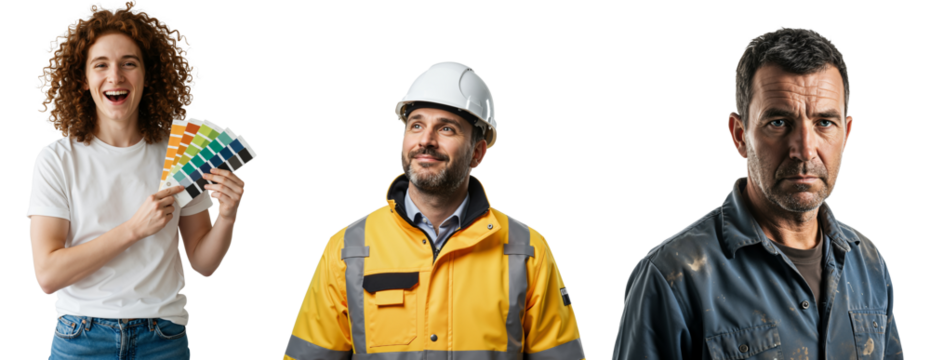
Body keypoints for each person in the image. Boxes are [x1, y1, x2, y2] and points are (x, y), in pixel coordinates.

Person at [609, 25, 904, 359]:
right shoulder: (671, 276)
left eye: (824, 123)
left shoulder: (869, 264)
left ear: (846, 135)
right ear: (739, 135)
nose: (805, 150)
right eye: (779, 123)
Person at [282, 61, 586, 360]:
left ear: (478, 153)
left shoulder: (527, 251)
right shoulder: (347, 250)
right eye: (416, 125)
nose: (426, 141)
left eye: (446, 128)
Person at [28, 3, 246, 359]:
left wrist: (228, 215)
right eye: (101, 65)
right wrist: (133, 229)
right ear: (83, 79)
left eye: (129, 63)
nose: (115, 76)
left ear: (148, 75)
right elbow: (48, 276)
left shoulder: (180, 155)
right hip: (81, 337)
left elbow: (204, 264)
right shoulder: (57, 159)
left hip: (163, 338)